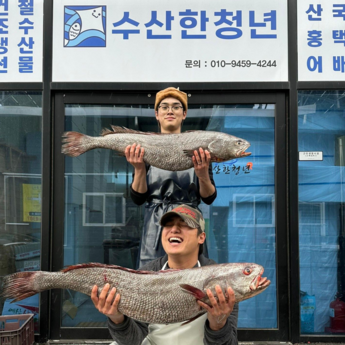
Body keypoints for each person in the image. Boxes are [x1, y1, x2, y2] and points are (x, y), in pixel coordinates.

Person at [91, 205, 238, 345]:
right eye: (168, 225)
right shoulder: (148, 272)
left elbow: (230, 342)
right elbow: (132, 341)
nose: (174, 229)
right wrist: (117, 318)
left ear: (201, 237)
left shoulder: (222, 279)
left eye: (185, 224)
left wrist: (218, 323)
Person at [125, 87, 217, 267]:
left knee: (192, 278)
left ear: (184, 114)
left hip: (189, 221)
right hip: (156, 222)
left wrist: (202, 174)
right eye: (164, 107)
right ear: (156, 114)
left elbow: (209, 197)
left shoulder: (198, 148)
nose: (170, 111)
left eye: (176, 107)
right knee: (151, 277)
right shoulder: (144, 147)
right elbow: (138, 197)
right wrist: (139, 169)